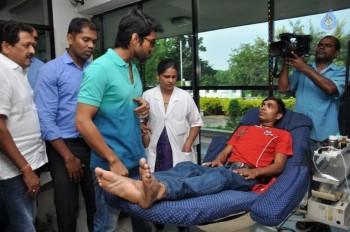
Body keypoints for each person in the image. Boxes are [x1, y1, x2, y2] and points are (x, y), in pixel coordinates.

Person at [94, 97, 293, 209]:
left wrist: (256, 173)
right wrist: (217, 160)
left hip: (247, 174)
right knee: (187, 166)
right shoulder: (245, 129)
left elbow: (279, 165)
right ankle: (140, 184)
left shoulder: (282, 134)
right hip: (226, 168)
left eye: (269, 106)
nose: (263, 108)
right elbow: (227, 150)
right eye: (262, 104)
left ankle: (161, 190)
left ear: (278, 115)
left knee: (219, 176)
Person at [75, 9, 163, 232]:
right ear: (135, 38)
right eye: (151, 42)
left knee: (143, 220)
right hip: (110, 165)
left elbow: (122, 107)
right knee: (106, 225)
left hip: (137, 160)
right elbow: (82, 121)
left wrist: (144, 106)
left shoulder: (133, 68)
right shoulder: (99, 69)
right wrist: (112, 160)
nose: (152, 48)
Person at [35, 18, 98, 232]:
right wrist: (68, 157)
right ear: (70, 38)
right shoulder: (51, 70)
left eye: (94, 41)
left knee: (97, 206)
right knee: (67, 210)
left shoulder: (95, 70)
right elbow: (45, 120)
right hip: (64, 146)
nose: (90, 45)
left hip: (93, 143)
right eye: (85, 39)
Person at [278, 35, 345, 232]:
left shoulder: (341, 71)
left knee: (325, 181)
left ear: (336, 52)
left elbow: (331, 89)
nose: (322, 47)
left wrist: (304, 68)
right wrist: (286, 63)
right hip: (299, 133)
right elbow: (284, 88)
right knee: (302, 176)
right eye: (320, 44)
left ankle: (322, 219)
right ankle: (308, 213)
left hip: (326, 135)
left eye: (328, 45)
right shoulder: (302, 68)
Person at [0, 20, 47, 232]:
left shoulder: (17, 71)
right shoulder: (2, 73)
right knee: (23, 227)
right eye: (26, 45)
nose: (32, 50)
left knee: (28, 221)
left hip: (26, 165)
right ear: (6, 47)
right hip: (13, 172)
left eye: (33, 45)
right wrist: (25, 169)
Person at [141, 58, 203, 172]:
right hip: (156, 145)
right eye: (166, 76)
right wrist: (145, 134)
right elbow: (142, 121)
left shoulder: (185, 96)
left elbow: (196, 122)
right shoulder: (148, 96)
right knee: (156, 179)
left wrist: (188, 144)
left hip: (180, 147)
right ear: (158, 76)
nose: (170, 80)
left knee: (180, 179)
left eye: (174, 77)